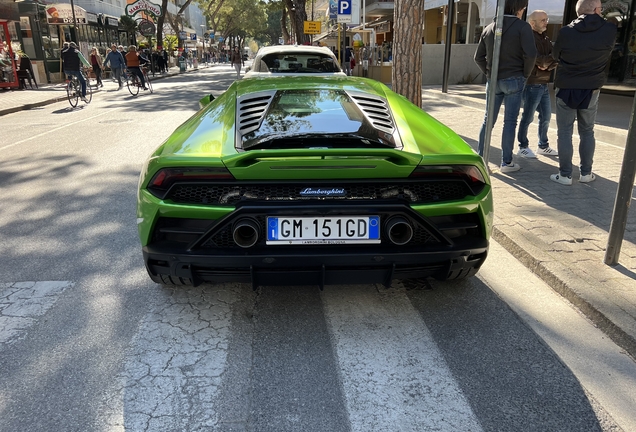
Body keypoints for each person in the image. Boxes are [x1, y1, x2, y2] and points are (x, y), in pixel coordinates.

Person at [550, 0, 617, 185]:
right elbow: (608, 52)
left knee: (564, 131)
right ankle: (586, 173)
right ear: (596, 10)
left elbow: (555, 56)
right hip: (592, 87)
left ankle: (564, 175)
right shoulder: (609, 30)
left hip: (566, 86)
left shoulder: (565, 32)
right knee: (587, 131)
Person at [474, 0, 537, 173]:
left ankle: (481, 160)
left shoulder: (489, 28)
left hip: (494, 80)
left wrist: (488, 73)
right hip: (514, 79)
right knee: (509, 122)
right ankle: (506, 162)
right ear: (519, 9)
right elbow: (531, 54)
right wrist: (525, 74)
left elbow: (478, 57)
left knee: (488, 120)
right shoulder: (523, 28)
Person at [516, 10, 559, 158]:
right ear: (532, 23)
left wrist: (547, 64)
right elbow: (536, 59)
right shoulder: (529, 38)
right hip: (532, 83)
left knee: (546, 116)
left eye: (546, 19)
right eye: (542, 20)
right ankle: (522, 146)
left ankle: (543, 145)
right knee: (528, 116)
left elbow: (554, 58)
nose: (546, 22)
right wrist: (546, 62)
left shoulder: (546, 38)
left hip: (544, 83)